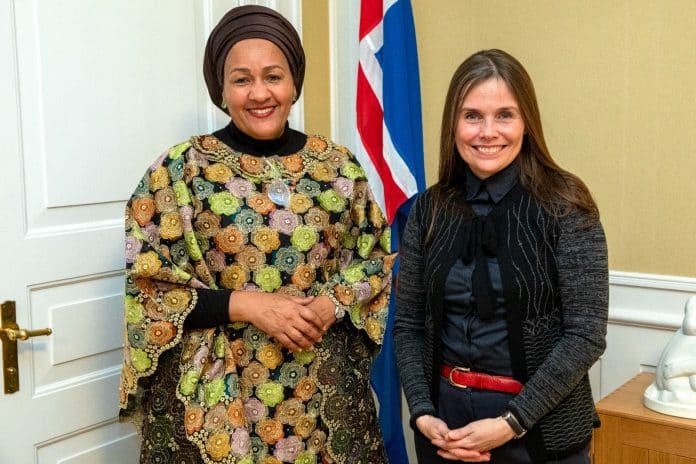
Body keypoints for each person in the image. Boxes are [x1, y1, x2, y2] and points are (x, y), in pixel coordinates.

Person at [118, 6, 393, 463]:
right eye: (242, 79)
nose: (260, 93)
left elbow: (377, 255)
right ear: (220, 90)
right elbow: (148, 286)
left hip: (322, 401)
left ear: (294, 84)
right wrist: (248, 304)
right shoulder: (181, 171)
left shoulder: (338, 166)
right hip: (221, 401)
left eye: (273, 76)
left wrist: (331, 303)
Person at [393, 49, 608, 463]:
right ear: (453, 125)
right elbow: (409, 325)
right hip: (445, 431)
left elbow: (585, 335)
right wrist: (422, 412)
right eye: (472, 115)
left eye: (504, 115)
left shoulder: (567, 206)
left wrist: (511, 422)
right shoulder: (428, 210)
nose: (487, 131)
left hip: (541, 432)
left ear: (527, 122)